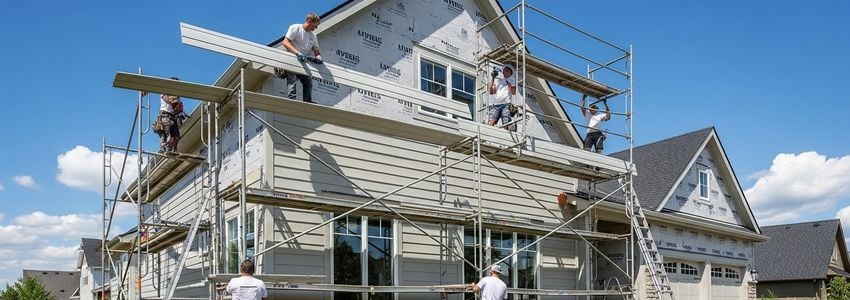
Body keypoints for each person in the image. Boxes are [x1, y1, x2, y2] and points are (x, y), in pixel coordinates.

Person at [276, 12, 323, 103]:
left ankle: (307, 100)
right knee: (292, 79)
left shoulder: (313, 36)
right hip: (291, 58)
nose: (316, 28)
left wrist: (318, 56)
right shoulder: (296, 28)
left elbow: (316, 51)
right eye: (315, 25)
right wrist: (298, 53)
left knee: (308, 82)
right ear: (309, 21)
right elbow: (286, 42)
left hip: (303, 62)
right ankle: (291, 99)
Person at [154, 77, 184, 153]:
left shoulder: (177, 95)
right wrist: (174, 101)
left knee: (176, 137)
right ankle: (164, 148)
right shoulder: (165, 91)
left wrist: (180, 113)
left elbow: (178, 107)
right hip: (165, 115)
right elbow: (167, 99)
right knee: (167, 135)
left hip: (173, 117)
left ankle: (172, 151)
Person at [488, 64, 517, 130]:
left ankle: (507, 136)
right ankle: (487, 133)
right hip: (496, 104)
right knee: (491, 121)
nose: (504, 72)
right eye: (504, 71)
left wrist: (508, 83)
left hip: (506, 104)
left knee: (506, 121)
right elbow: (492, 92)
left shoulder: (512, 80)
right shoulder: (498, 81)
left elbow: (513, 92)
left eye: (507, 70)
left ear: (510, 72)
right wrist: (493, 78)